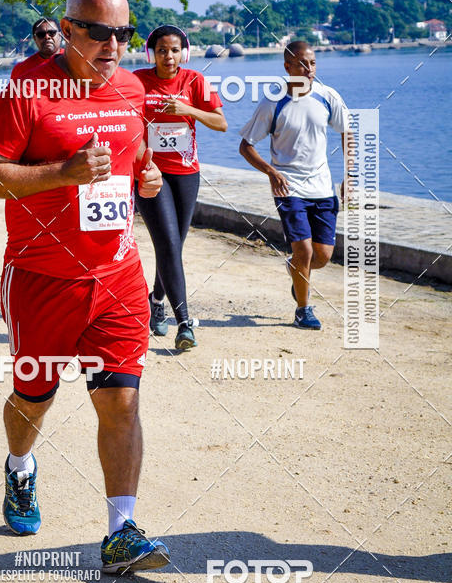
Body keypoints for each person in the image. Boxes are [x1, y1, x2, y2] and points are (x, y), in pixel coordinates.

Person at [0, 0, 171, 575]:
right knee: (35, 396)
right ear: (68, 30)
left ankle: (120, 531)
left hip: (117, 275)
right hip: (41, 275)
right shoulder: (28, 87)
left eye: (124, 34)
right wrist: (63, 172)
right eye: (100, 32)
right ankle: (20, 467)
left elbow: (136, 159)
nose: (114, 46)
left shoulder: (133, 88)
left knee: (120, 400)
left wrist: (148, 176)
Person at [239, 40, 349, 330]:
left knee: (322, 257)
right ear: (287, 67)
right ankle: (303, 309)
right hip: (289, 188)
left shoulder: (328, 96)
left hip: (323, 187)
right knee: (304, 251)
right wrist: (271, 172)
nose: (309, 69)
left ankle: (296, 271)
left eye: (312, 63)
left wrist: (349, 176)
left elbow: (347, 131)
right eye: (302, 63)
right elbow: (246, 146)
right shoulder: (273, 103)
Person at [134, 25, 226, 350]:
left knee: (174, 246)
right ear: (152, 53)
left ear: (182, 52)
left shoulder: (194, 81)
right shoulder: (138, 81)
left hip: (187, 174)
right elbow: (128, 124)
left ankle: (156, 299)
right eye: (161, 50)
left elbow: (221, 123)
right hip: (151, 174)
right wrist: (142, 159)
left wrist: (189, 110)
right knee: (169, 245)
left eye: (174, 50)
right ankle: (184, 324)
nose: (168, 56)